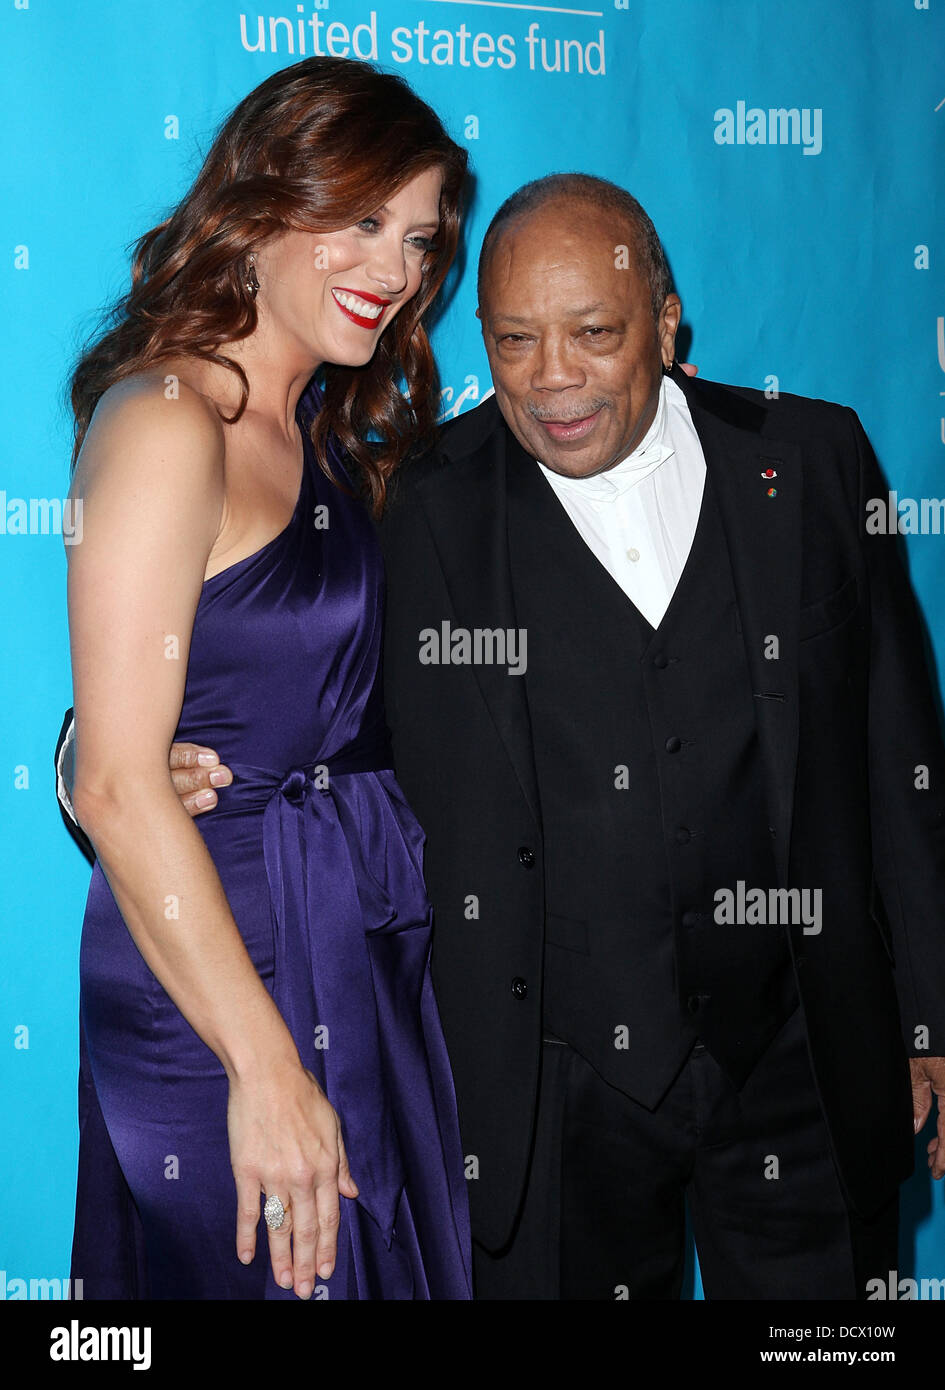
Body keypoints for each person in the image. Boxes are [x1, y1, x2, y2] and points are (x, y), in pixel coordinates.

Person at [59, 173, 945, 1299]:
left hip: (802, 1058)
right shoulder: (420, 499)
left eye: (593, 332)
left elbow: (897, 752)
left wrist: (931, 1014)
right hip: (545, 1098)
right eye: (516, 339)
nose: (554, 375)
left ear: (666, 323)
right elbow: (289, 688)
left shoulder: (814, 461)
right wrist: (95, 752)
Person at [57, 55, 471, 1300]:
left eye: (417, 237)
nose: (396, 272)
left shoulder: (333, 428)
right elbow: (127, 786)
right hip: (219, 971)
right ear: (261, 204)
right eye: (361, 222)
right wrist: (267, 1071)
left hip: (360, 931)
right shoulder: (168, 419)